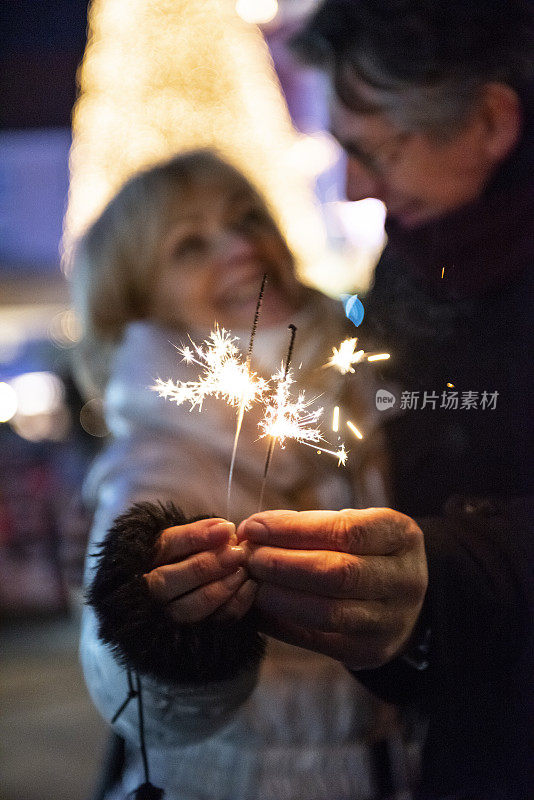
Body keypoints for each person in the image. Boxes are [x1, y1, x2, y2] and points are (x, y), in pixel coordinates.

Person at [236, 2, 534, 799]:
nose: (358, 188)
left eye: (377, 151)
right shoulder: (409, 272)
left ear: (493, 120)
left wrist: (442, 578)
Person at [72, 149, 406, 799]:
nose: (242, 246)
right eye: (189, 245)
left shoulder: (371, 393)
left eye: (248, 217)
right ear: (138, 299)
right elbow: (121, 677)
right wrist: (165, 630)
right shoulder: (157, 460)